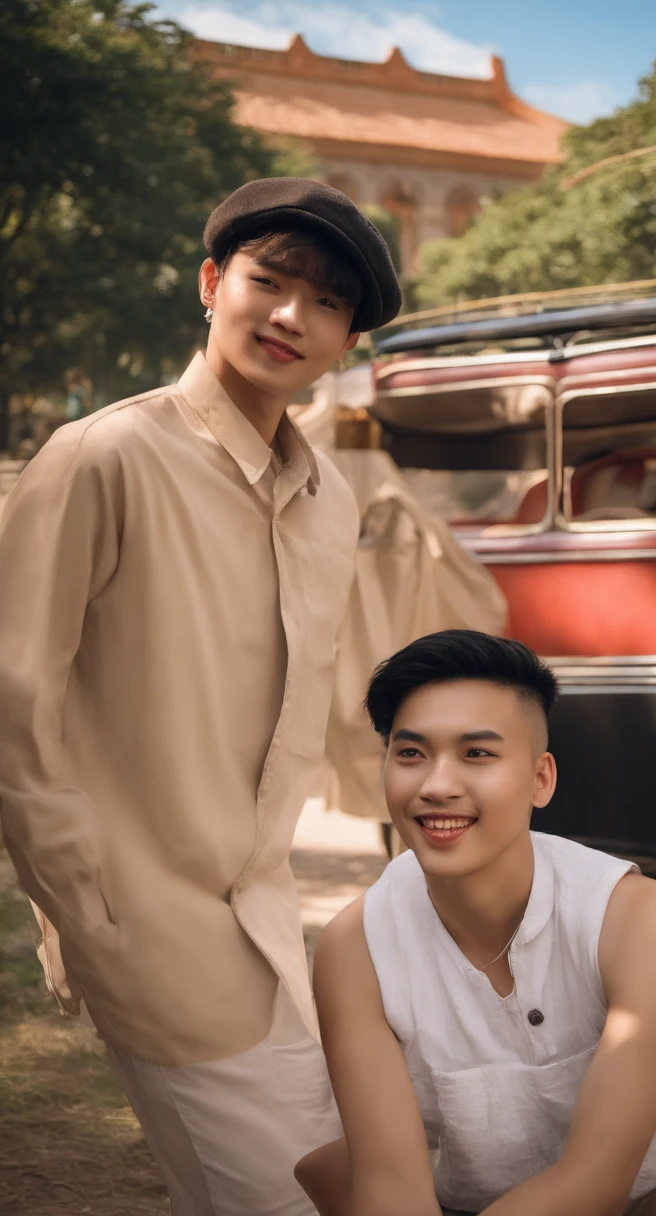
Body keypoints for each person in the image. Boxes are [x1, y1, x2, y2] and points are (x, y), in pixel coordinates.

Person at [0, 178, 401, 1216]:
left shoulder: (332, 499)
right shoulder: (104, 456)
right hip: (149, 924)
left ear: (347, 340)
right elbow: (14, 697)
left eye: (325, 305)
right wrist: (87, 909)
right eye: (268, 283)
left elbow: (330, 690)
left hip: (274, 926)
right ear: (211, 283)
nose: (290, 318)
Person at [296, 630, 656, 1216]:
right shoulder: (356, 948)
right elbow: (392, 1190)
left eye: (477, 754)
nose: (437, 785)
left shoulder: (635, 915)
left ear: (541, 778)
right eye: (411, 753)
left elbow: (597, 1179)